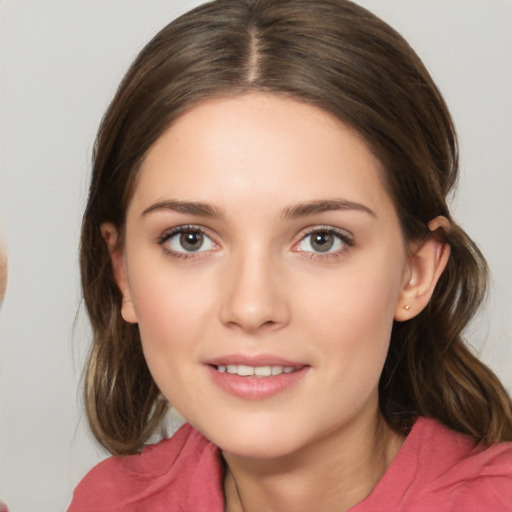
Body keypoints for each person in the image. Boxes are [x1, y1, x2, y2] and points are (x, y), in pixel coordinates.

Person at [68, 0, 512, 510]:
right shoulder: (111, 500)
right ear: (122, 271)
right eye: (190, 239)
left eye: (322, 239)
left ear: (415, 273)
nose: (252, 308)